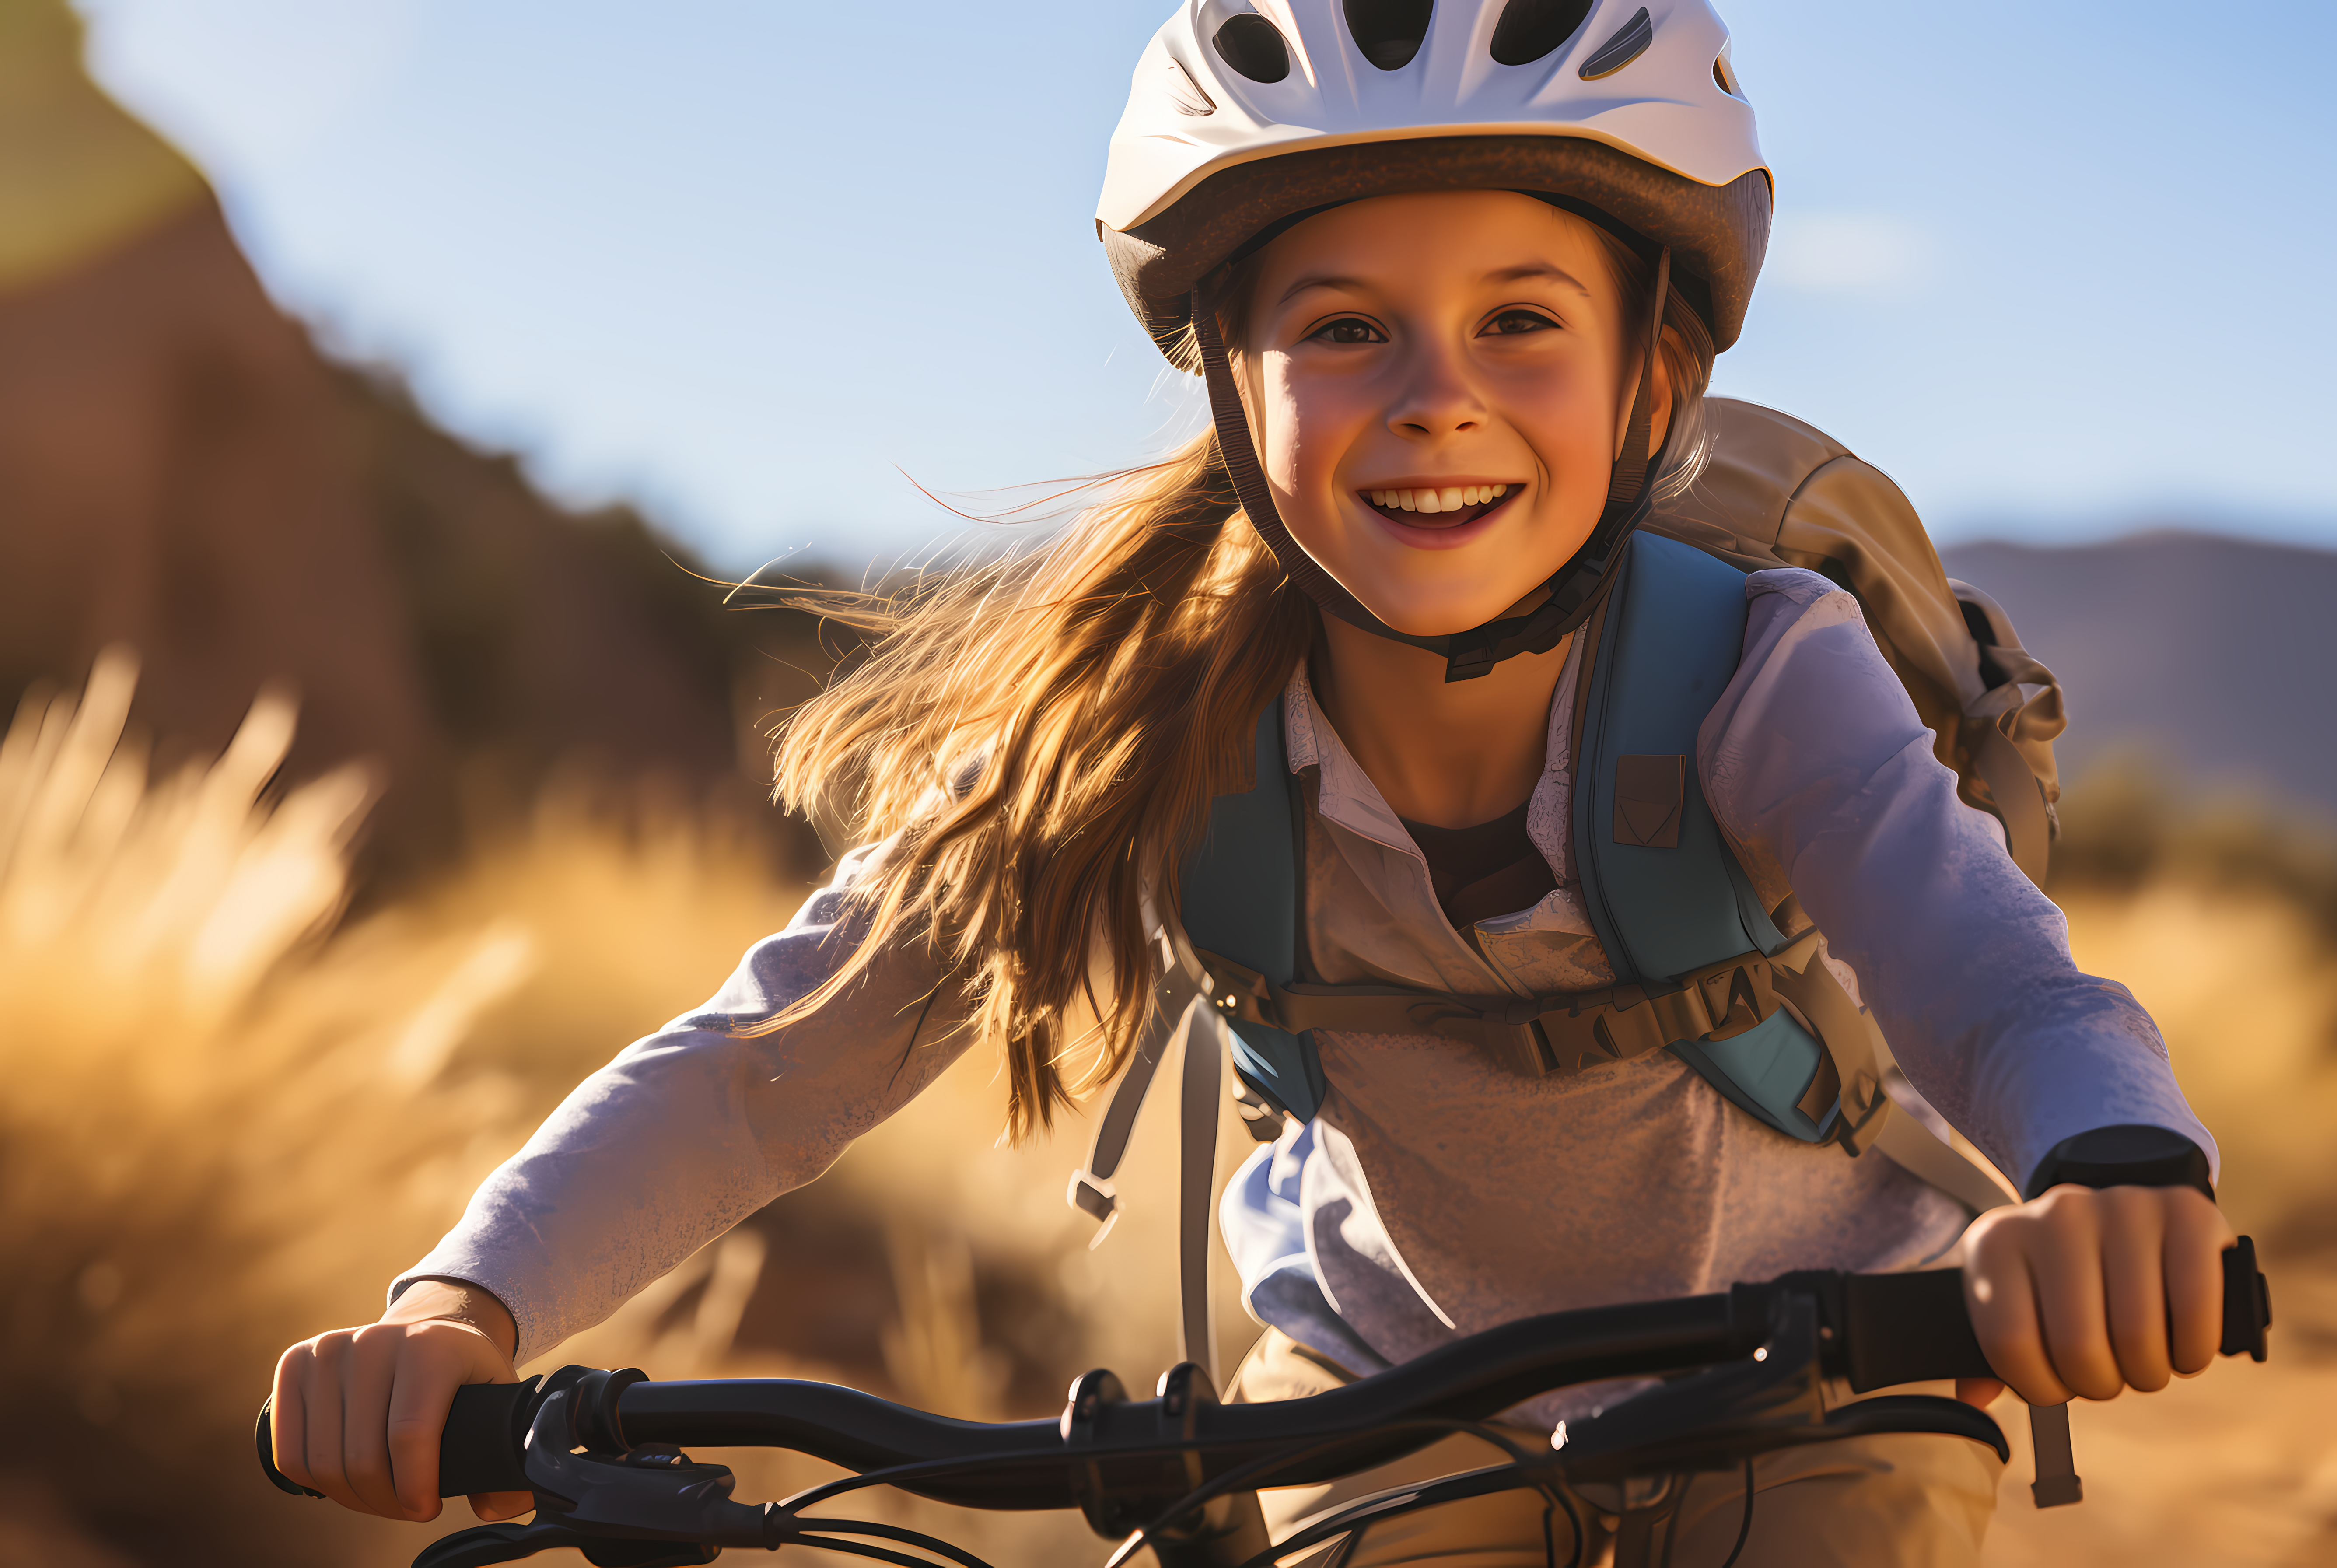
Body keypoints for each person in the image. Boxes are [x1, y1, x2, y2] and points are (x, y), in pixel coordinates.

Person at [272, 4, 2234, 1561]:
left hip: (1832, 1358)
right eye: (1345, 329)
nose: (1435, 392)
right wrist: (467, 1303)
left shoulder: (1753, 670)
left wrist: (2114, 1171)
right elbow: (776, 1050)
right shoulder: (1149, 714)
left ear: (1656, 383)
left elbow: (1989, 975)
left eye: (1521, 323)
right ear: (1233, 381)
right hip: (1389, 1375)